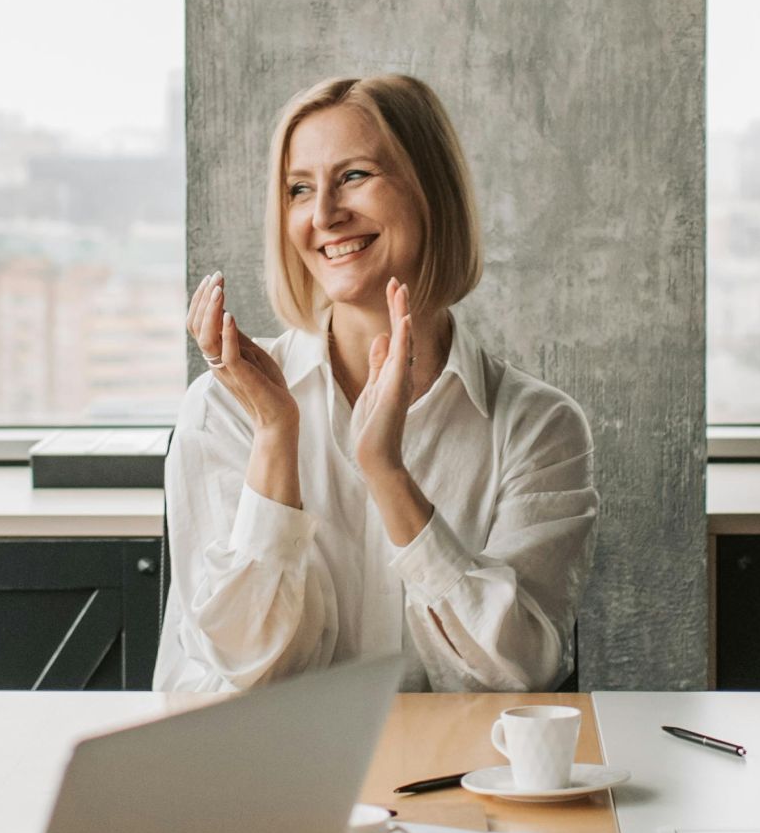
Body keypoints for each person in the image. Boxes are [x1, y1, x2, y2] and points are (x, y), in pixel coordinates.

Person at [155, 74, 598, 693]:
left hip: (452, 783)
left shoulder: (538, 427)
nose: (324, 215)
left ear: (432, 191)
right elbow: (242, 672)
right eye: (299, 189)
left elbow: (518, 676)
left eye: (355, 176)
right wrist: (276, 439)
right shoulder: (222, 410)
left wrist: (387, 475)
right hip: (266, 781)